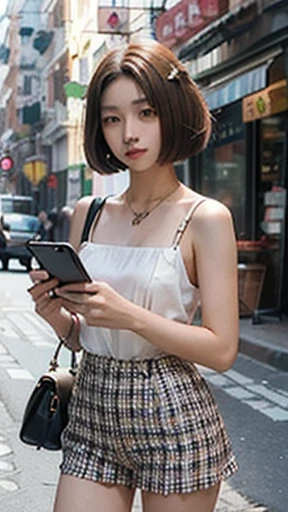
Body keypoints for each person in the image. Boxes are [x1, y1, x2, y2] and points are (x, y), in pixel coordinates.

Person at [28, 40, 239, 512]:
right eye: (112, 118)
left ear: (172, 112)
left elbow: (222, 349)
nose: (129, 134)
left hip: (172, 410)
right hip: (92, 409)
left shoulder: (206, 218)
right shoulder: (91, 211)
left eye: (145, 113)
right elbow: (85, 336)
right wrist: (58, 317)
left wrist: (130, 316)